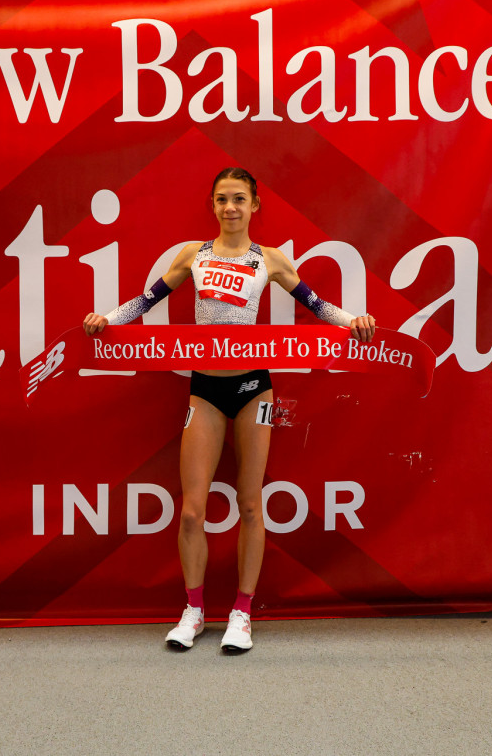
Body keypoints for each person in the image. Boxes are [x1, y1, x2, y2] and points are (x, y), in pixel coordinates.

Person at [83, 167, 375, 653]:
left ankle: (242, 613)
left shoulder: (271, 259)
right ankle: (194, 611)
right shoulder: (192, 255)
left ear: (254, 205)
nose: (230, 207)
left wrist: (355, 321)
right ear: (213, 205)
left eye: (239, 199)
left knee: (250, 504)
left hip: (254, 390)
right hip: (205, 390)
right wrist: (106, 319)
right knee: (191, 512)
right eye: (222, 199)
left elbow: (318, 306)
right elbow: (145, 301)